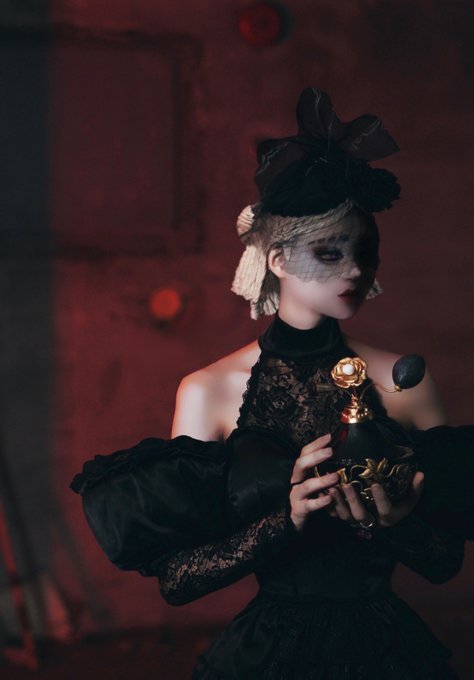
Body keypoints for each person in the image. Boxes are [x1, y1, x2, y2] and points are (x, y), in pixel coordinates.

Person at [71, 88, 471, 679]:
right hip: (267, 655)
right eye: (329, 253)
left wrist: (397, 522)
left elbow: (445, 564)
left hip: (387, 653)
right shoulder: (208, 389)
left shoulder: (402, 378)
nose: (355, 270)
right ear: (278, 261)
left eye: (365, 252)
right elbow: (178, 580)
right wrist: (285, 521)